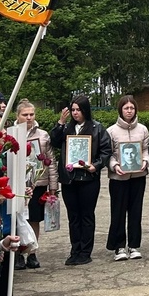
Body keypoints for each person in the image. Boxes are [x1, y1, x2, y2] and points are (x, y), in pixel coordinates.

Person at [48, 95, 111, 266]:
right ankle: (74, 250)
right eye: (73, 110)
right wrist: (61, 122)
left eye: (78, 110)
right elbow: (53, 141)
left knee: (87, 215)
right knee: (73, 216)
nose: (75, 113)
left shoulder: (97, 128)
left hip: (88, 179)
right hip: (69, 179)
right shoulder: (67, 128)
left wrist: (96, 166)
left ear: (85, 110)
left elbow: (106, 151)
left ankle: (85, 251)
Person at [106, 95, 149, 262]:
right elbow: (108, 153)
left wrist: (145, 161)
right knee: (118, 212)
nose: (129, 111)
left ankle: (134, 245)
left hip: (138, 176)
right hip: (118, 178)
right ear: (120, 110)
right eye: (126, 108)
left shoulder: (143, 129)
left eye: (132, 108)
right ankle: (119, 246)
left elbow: (145, 149)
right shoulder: (111, 131)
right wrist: (114, 165)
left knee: (136, 211)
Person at [16, 100, 55, 271]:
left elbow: (51, 162)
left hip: (38, 184)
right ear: (18, 116)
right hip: (17, 184)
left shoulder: (43, 135)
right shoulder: (11, 134)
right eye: (25, 115)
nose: (29, 117)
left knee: (34, 219)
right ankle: (17, 253)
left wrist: (53, 186)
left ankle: (32, 253)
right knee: (17, 218)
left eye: (32, 114)